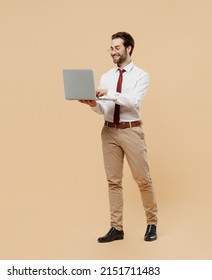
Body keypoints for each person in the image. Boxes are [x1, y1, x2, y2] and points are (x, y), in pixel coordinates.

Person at [79, 32, 158, 242]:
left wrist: (109, 93)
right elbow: (104, 108)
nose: (113, 52)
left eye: (117, 48)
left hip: (131, 130)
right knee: (113, 182)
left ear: (128, 48)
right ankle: (117, 228)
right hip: (109, 131)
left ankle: (152, 223)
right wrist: (93, 104)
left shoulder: (141, 75)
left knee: (143, 179)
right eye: (111, 48)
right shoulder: (107, 76)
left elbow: (133, 101)